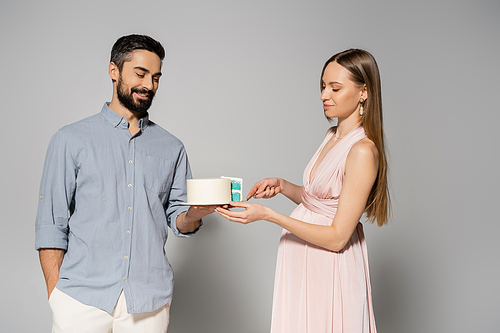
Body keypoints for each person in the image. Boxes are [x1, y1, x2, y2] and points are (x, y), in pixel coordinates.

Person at [35, 34, 217, 333]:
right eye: (141, 73)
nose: (149, 85)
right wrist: (56, 294)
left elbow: (179, 220)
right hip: (81, 298)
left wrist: (195, 214)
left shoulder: (172, 147)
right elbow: (50, 223)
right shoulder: (70, 139)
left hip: (148, 300)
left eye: (156, 77)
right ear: (114, 71)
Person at [216, 49, 390, 332]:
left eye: (335, 88)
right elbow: (322, 202)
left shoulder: (362, 151)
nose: (324, 95)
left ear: (363, 92)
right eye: (323, 86)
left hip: (328, 265)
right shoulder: (331, 136)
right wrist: (284, 187)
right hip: (303, 260)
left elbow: (337, 238)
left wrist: (270, 216)